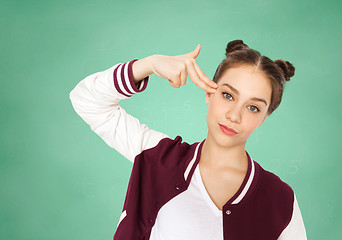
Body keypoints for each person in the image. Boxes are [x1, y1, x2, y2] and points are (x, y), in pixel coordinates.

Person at [69, 40, 307, 240]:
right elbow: (86, 100)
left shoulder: (280, 200)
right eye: (227, 95)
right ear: (208, 92)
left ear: (264, 118)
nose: (234, 115)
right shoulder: (157, 157)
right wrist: (148, 65)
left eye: (253, 107)